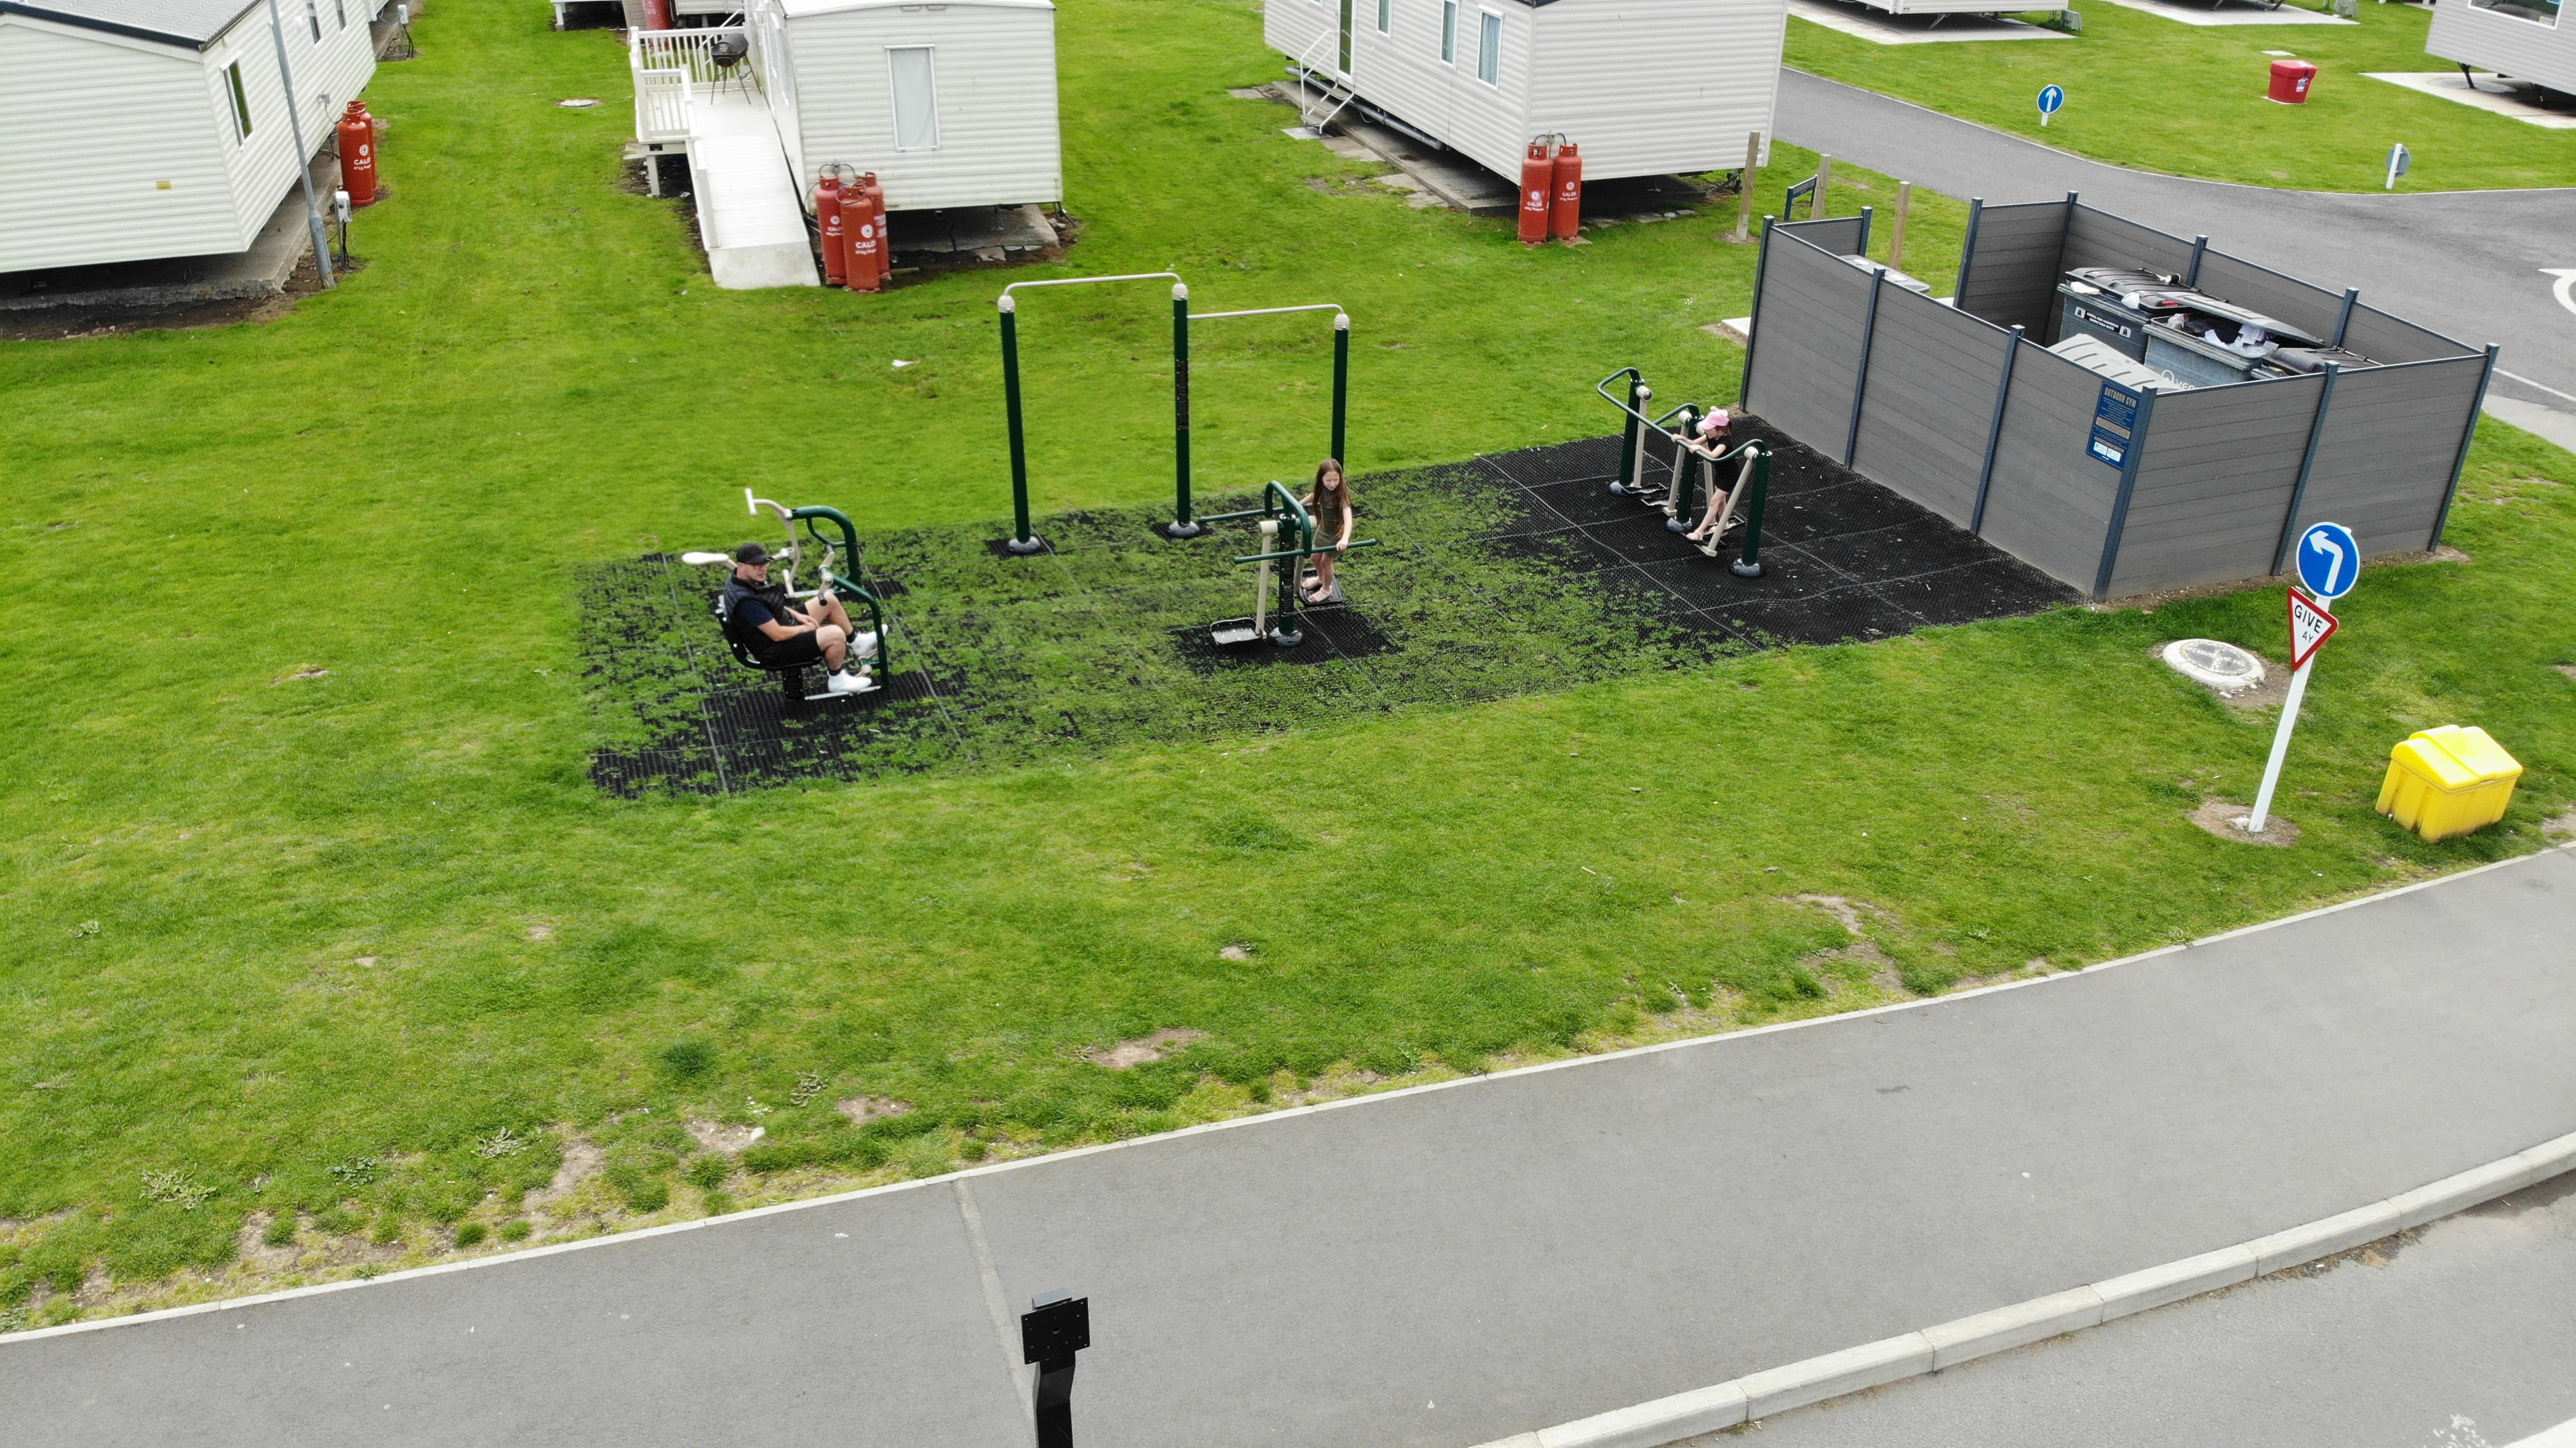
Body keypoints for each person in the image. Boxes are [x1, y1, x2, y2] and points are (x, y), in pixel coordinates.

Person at [720, 543, 875, 694]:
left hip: (782, 625)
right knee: (835, 634)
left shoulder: (743, 579)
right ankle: (837, 680)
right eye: (756, 565)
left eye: (765, 563)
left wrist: (797, 615)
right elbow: (778, 635)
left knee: (828, 599)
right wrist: (805, 628)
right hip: (774, 650)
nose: (762, 568)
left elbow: (769, 604)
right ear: (742, 566)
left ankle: (857, 642)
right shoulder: (747, 602)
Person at [1679, 410, 1741, 546]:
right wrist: (1682, 439)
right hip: (1721, 473)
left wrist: (1699, 449)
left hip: (1730, 476)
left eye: (1709, 429)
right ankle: (1724, 524)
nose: (1706, 431)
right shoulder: (1711, 436)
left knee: (1714, 502)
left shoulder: (1725, 442)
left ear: (1719, 430)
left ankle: (1699, 532)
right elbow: (1694, 442)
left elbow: (1714, 455)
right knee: (1721, 501)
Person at [1299, 458, 1356, 603]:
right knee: (1315, 557)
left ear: (1340, 478)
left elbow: (1348, 519)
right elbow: (1314, 496)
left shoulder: (1341, 496)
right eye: (1328, 480)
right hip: (1323, 529)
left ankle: (1326, 588)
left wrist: (1344, 539)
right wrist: (1299, 505)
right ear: (1322, 479)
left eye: (1336, 480)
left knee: (1326, 561)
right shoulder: (1322, 489)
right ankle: (1321, 578)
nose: (1332, 484)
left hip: (1335, 534)